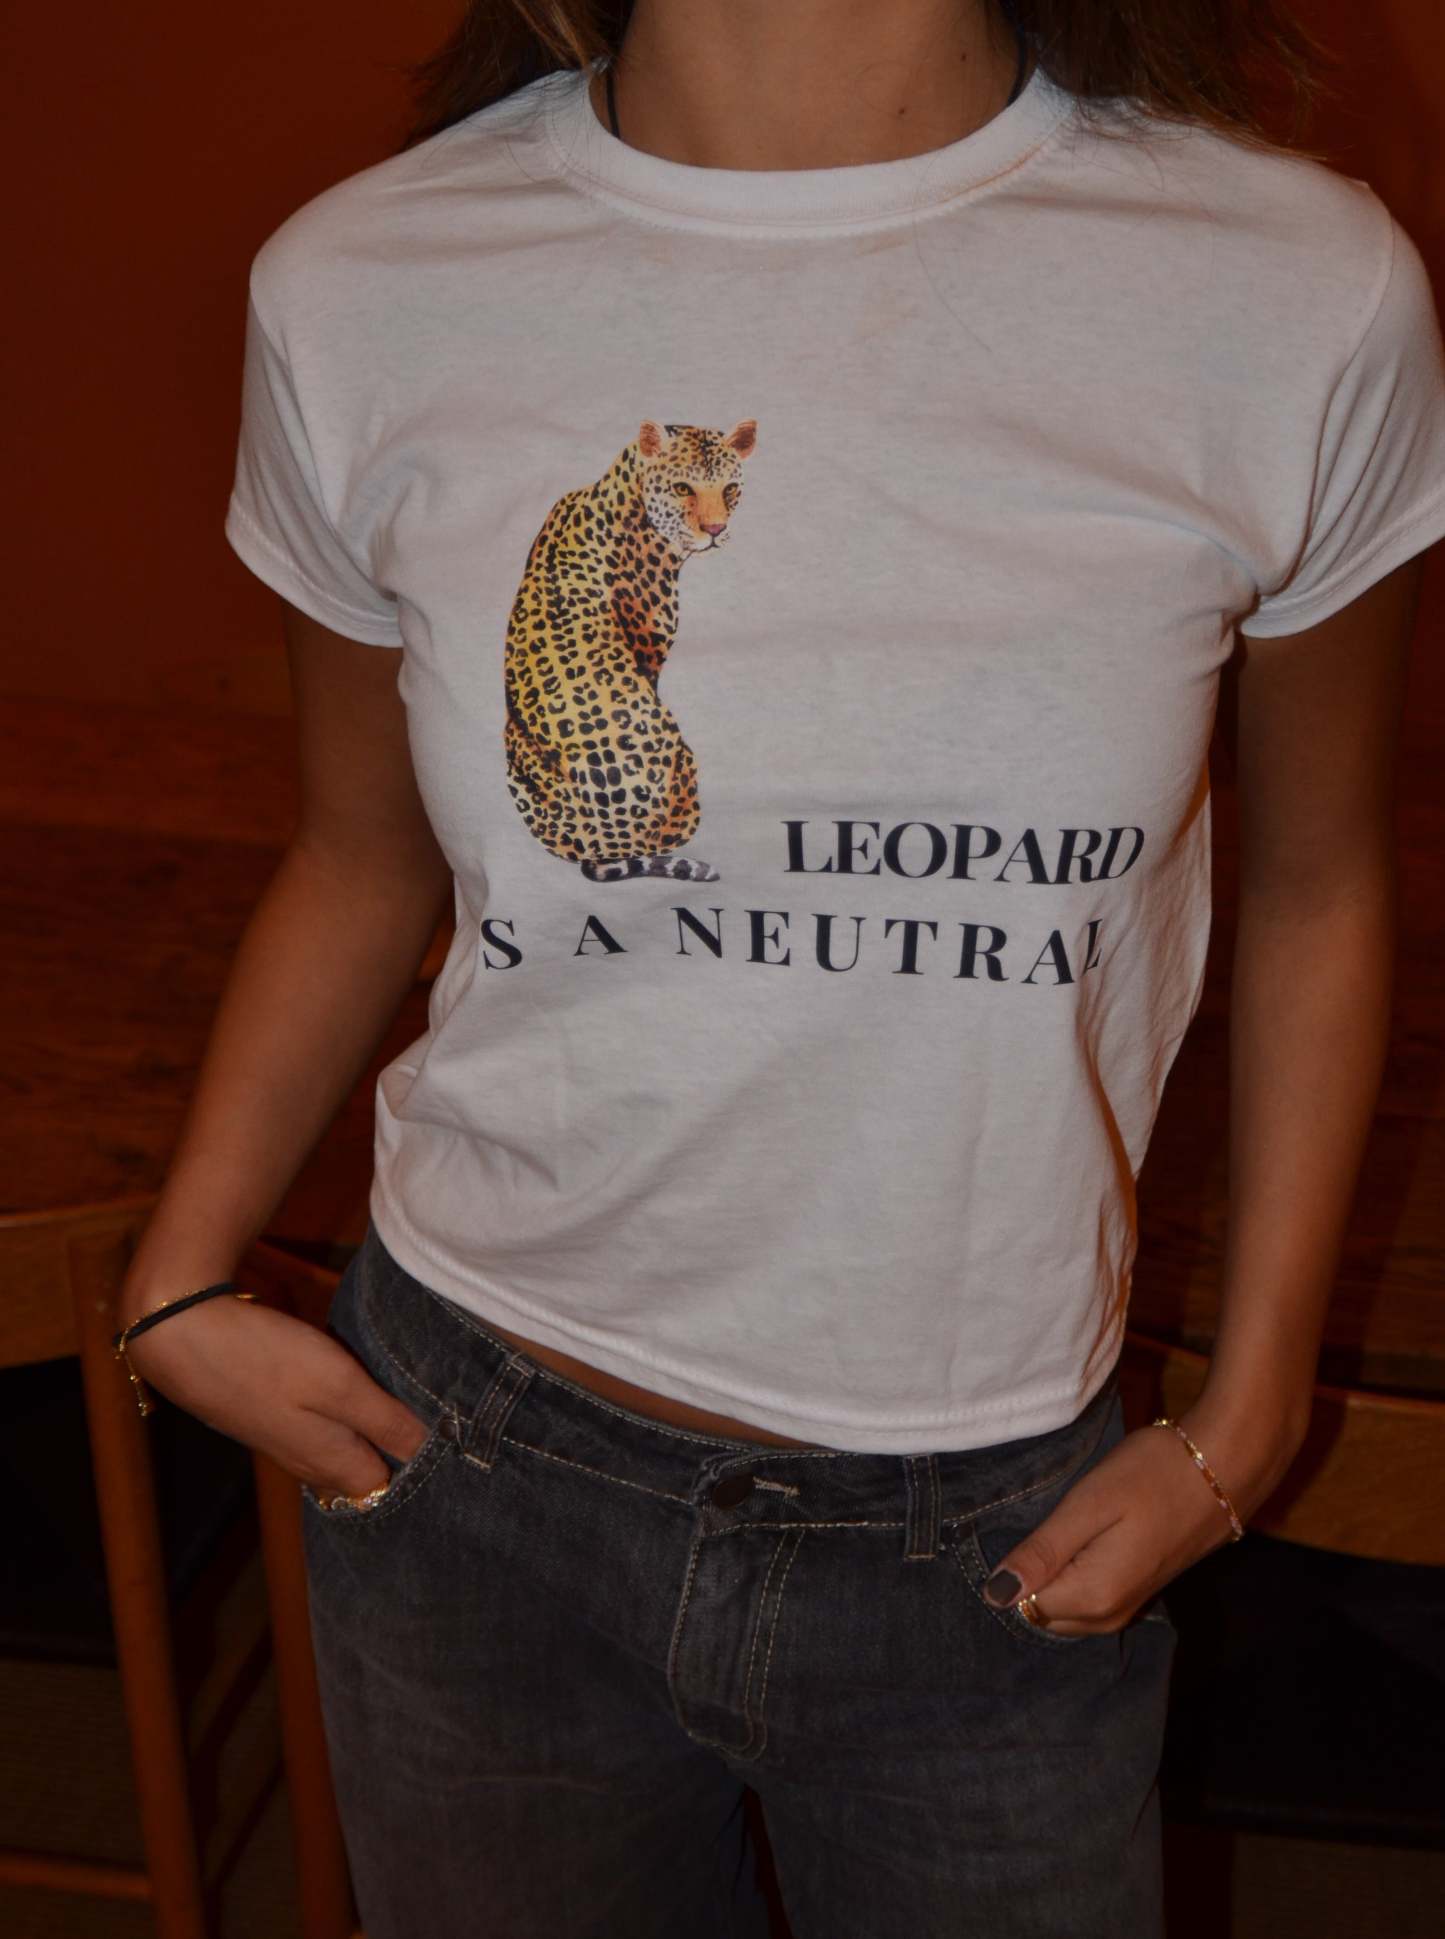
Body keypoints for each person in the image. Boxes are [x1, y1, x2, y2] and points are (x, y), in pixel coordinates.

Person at [114, 1, 1445, 1933]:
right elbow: (356, 852)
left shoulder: (1293, 288)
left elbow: (1318, 885)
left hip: (994, 1513)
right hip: (466, 1459)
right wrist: (177, 1274)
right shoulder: (363, 279)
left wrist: (1251, 1418)